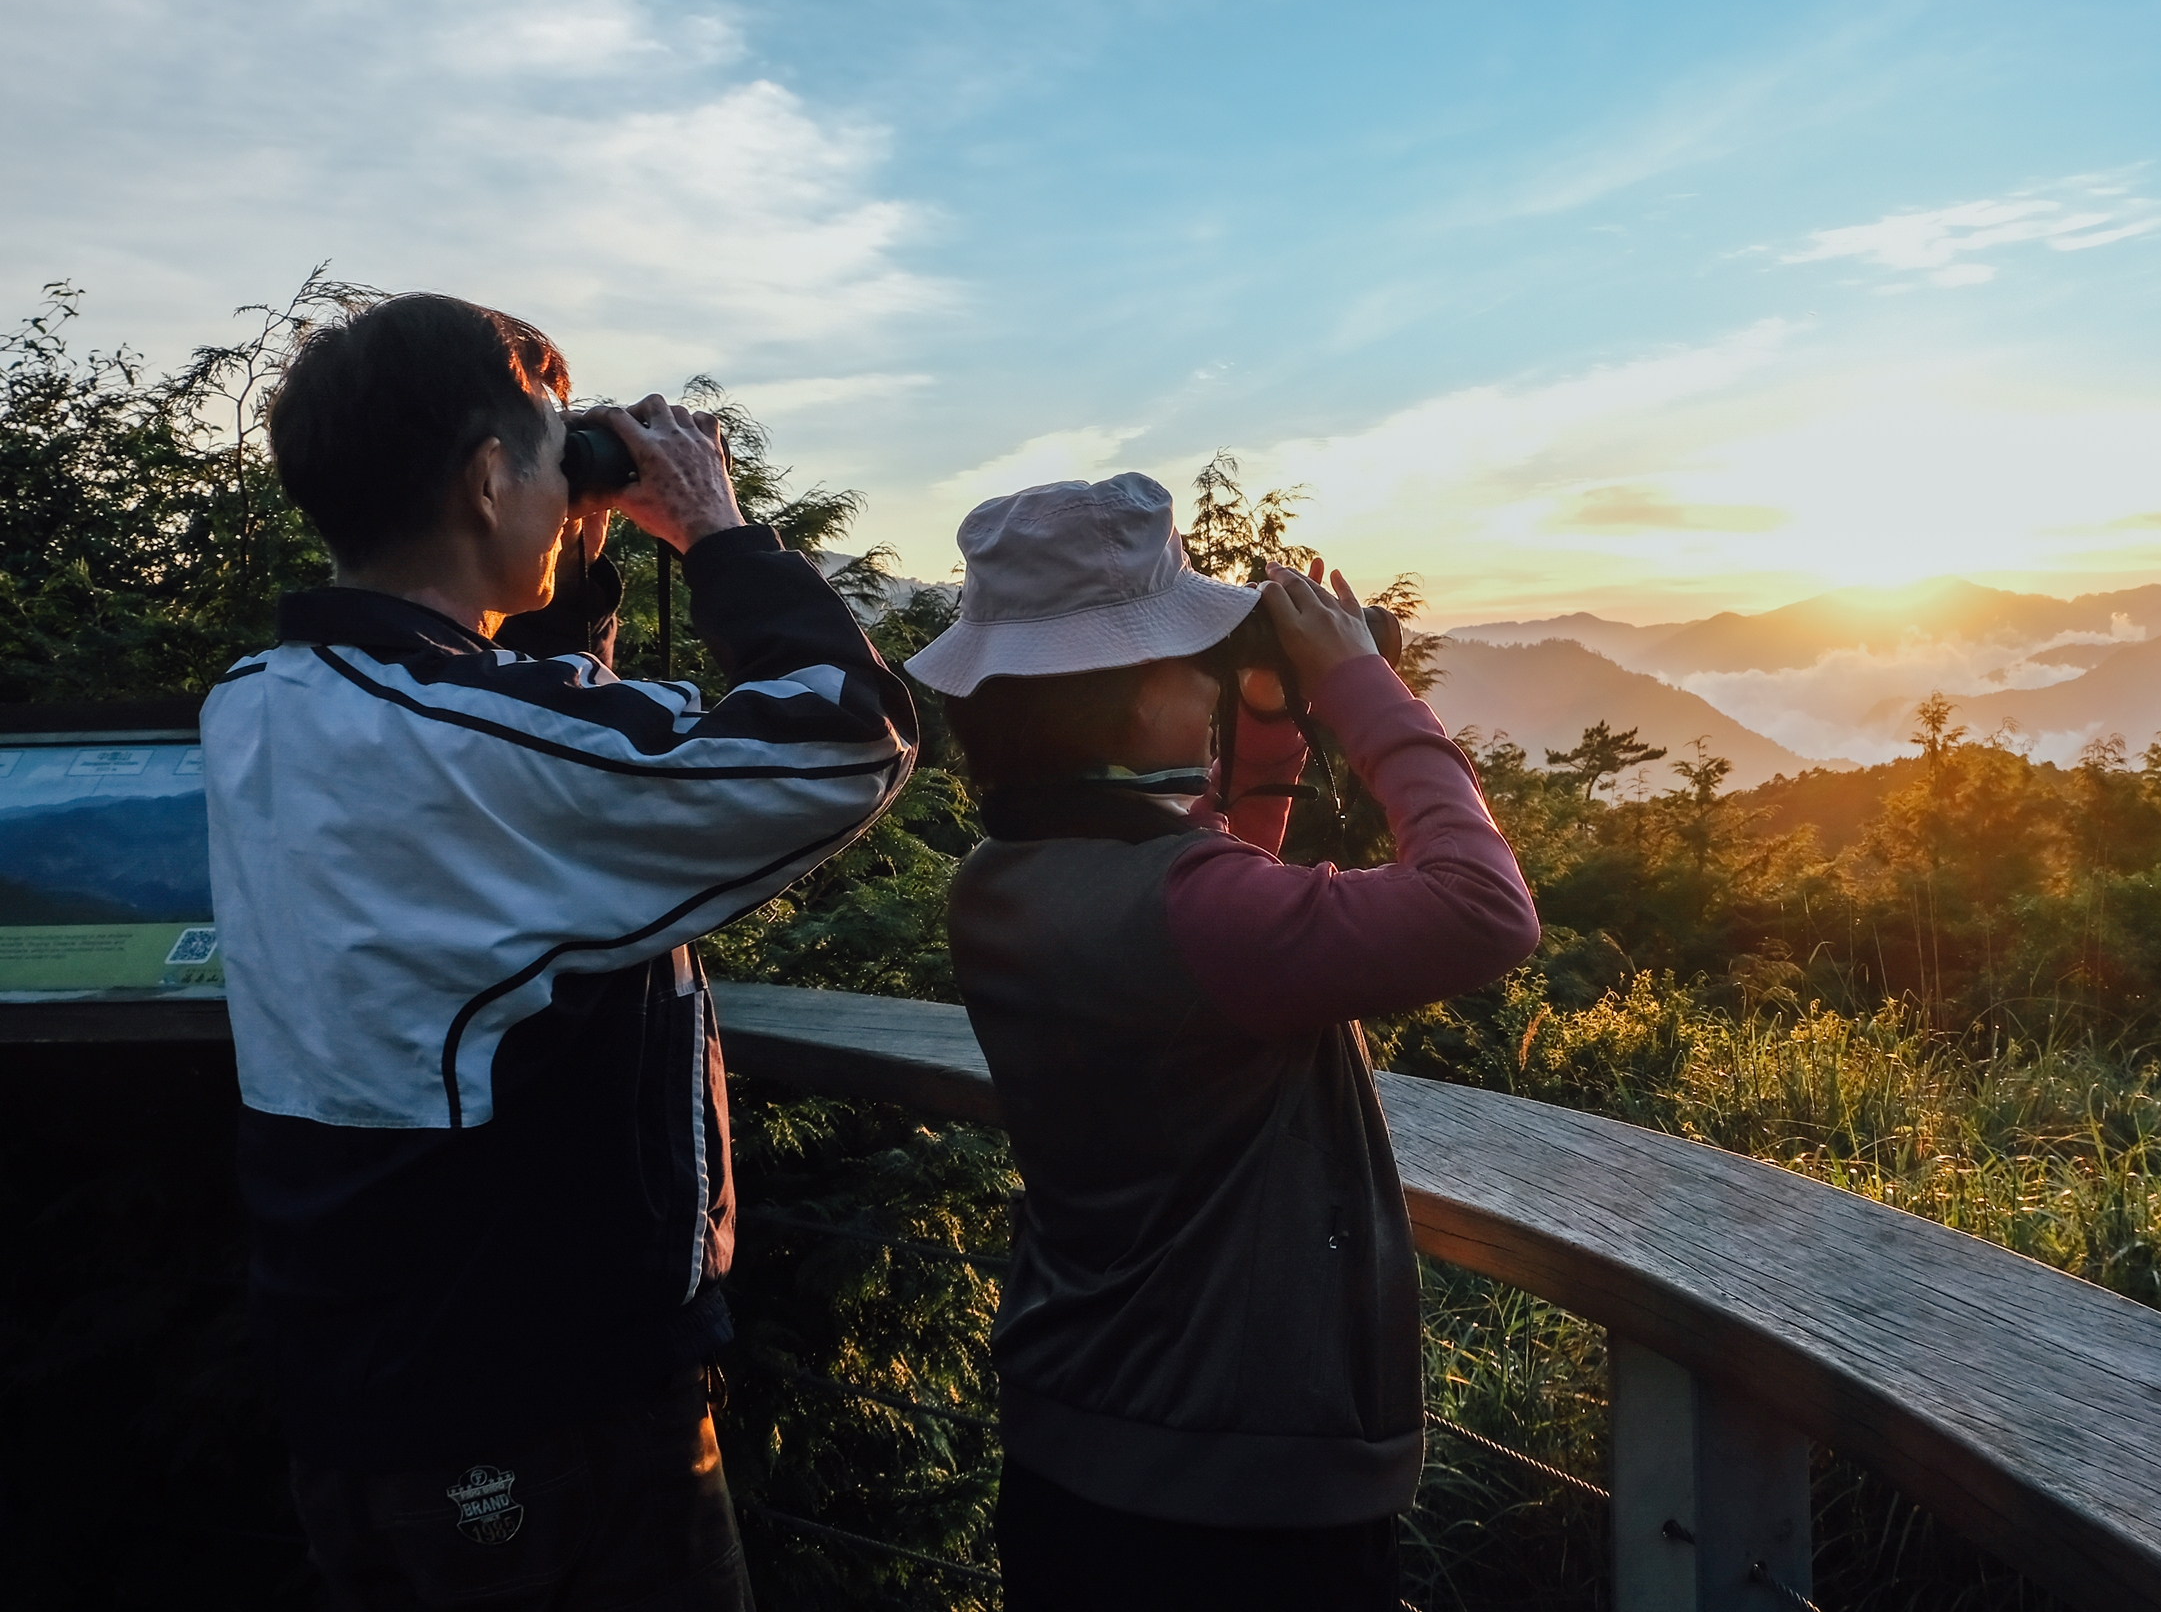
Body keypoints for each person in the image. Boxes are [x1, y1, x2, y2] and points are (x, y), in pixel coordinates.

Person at [202, 292, 916, 1609]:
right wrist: (716, 529)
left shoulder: (256, 706)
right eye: (543, 450)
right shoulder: (465, 740)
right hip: (541, 1411)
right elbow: (840, 740)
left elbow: (533, 786)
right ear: (485, 480)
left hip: (363, 1375)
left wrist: (556, 576)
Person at [904, 472, 1541, 1612]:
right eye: (1185, 659)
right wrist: (1362, 688)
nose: (1202, 678)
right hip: (1237, 1503)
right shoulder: (1191, 909)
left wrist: (1265, 735)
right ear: (1132, 699)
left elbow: (1210, 929)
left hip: (1074, 1446)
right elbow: (1485, 910)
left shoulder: (998, 879)